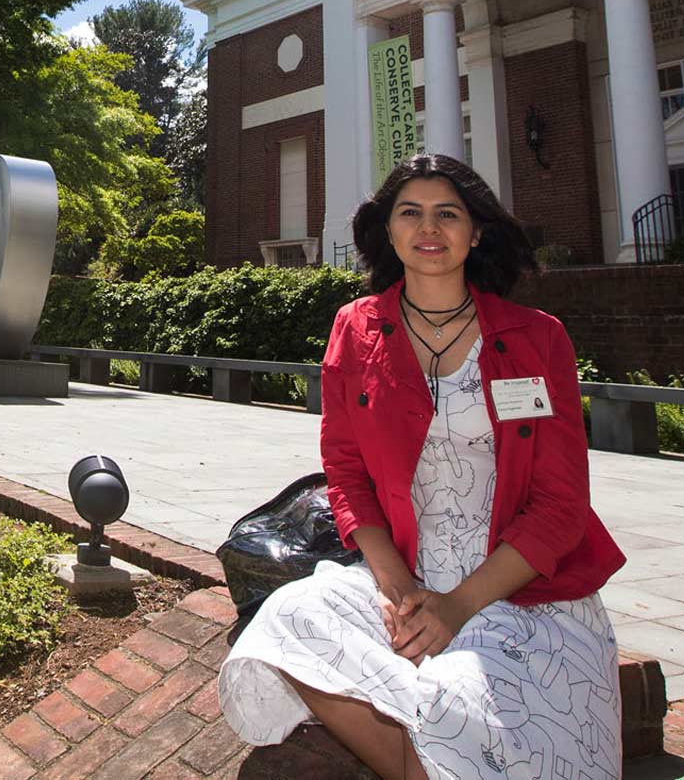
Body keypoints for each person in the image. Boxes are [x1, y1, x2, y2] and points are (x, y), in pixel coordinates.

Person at [218, 153, 626, 779]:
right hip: (400, 575)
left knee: (460, 700)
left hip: (518, 586)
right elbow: (347, 474)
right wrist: (400, 588)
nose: (428, 228)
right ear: (388, 231)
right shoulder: (356, 329)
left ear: (477, 230)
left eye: (447, 213)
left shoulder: (537, 338)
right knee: (288, 620)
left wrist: (457, 606)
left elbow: (562, 504)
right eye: (411, 213)